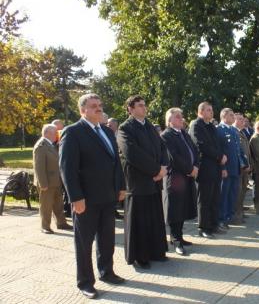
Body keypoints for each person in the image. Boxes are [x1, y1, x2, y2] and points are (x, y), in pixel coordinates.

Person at [59, 93, 126, 299]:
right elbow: (67, 169)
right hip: (85, 199)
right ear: (82, 110)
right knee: (84, 242)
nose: (98, 108)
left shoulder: (106, 130)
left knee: (107, 238)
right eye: (93, 105)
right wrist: (75, 198)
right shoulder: (73, 132)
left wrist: (120, 186)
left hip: (108, 197)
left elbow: (116, 163)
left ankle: (107, 271)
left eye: (100, 105)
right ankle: (85, 282)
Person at [117, 95, 169, 268]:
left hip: (154, 181)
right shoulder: (125, 128)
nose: (144, 108)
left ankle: (156, 251)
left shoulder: (149, 126)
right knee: (140, 221)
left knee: (154, 219)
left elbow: (162, 148)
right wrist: (156, 170)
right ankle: (141, 256)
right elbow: (132, 154)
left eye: (144, 105)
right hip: (138, 182)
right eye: (140, 106)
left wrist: (163, 168)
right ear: (130, 109)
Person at [161, 108, 199, 256]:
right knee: (175, 210)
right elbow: (173, 157)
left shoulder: (184, 133)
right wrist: (190, 169)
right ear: (170, 121)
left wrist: (195, 166)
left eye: (181, 116)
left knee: (183, 208)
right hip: (175, 178)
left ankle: (180, 237)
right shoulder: (166, 136)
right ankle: (175, 240)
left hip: (188, 176)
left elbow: (194, 151)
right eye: (178, 117)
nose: (181, 119)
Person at [189, 102, 227, 238]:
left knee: (215, 198)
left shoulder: (211, 126)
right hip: (205, 168)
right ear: (201, 112)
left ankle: (214, 224)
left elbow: (218, 145)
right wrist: (219, 156)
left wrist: (222, 163)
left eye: (212, 110)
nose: (211, 112)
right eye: (209, 110)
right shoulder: (196, 125)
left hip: (216, 167)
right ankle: (203, 227)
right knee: (204, 199)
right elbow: (201, 146)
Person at [33, 124, 72, 234]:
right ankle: (45, 226)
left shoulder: (51, 144)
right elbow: (39, 167)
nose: (57, 134)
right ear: (47, 133)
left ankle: (61, 223)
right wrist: (43, 183)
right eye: (55, 132)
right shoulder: (41, 146)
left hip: (55, 181)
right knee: (46, 206)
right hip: (47, 183)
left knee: (58, 204)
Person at [217, 108, 246, 228]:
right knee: (224, 194)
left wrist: (243, 163)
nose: (233, 117)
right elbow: (220, 151)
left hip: (235, 168)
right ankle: (221, 218)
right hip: (226, 169)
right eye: (231, 115)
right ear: (224, 117)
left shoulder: (233, 130)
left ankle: (229, 216)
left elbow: (238, 150)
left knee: (232, 194)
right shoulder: (219, 130)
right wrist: (222, 167)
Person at [232, 113, 251, 224]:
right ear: (234, 120)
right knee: (238, 191)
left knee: (243, 190)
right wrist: (243, 164)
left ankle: (240, 212)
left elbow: (246, 151)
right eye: (240, 119)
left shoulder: (241, 132)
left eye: (243, 120)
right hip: (239, 166)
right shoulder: (234, 132)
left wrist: (249, 164)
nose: (243, 122)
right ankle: (236, 214)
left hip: (245, 166)